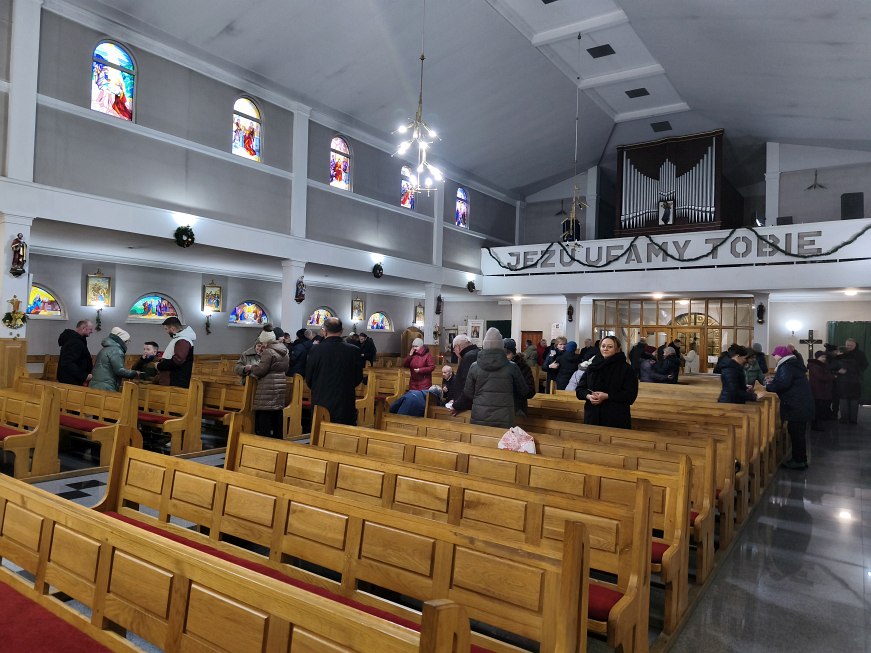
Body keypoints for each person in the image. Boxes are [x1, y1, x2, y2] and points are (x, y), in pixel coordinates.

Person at [463, 328, 528, 428]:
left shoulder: (474, 367)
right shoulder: (512, 367)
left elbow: (468, 393)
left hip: (480, 416)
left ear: (484, 345)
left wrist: (482, 399)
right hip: (504, 417)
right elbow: (524, 391)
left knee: (479, 438)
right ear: (501, 347)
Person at [305, 317, 363, 425]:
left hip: (321, 399)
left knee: (320, 431)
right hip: (344, 399)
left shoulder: (316, 350)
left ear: (324, 331)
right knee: (343, 430)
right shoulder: (354, 350)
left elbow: (309, 378)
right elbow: (358, 378)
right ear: (342, 331)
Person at [766, 345, 814, 470]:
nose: (774, 357)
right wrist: (774, 381)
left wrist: (768, 386)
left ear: (780, 355)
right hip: (800, 404)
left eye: (775, 354)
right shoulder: (793, 364)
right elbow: (787, 381)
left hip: (796, 405)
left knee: (796, 433)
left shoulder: (786, 366)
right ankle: (799, 459)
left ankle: (799, 461)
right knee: (797, 433)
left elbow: (783, 384)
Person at [575, 336, 638, 429]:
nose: (605, 349)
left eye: (610, 346)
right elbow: (580, 389)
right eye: (603, 346)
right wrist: (588, 396)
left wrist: (607, 396)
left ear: (617, 349)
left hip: (615, 417)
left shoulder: (626, 369)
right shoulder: (593, 366)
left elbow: (630, 395)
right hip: (592, 416)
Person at [246, 325, 290, 438]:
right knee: (277, 415)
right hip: (280, 385)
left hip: (267, 387)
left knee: (264, 417)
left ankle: (264, 443)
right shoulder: (284, 350)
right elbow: (286, 369)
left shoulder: (269, 351)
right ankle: (278, 441)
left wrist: (252, 367)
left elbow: (261, 370)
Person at [89, 327, 140, 391]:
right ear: (123, 341)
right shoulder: (116, 351)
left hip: (95, 384)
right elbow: (119, 371)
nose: (127, 344)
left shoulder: (105, 349)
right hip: (106, 387)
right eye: (127, 341)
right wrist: (134, 373)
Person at [833, 337, 869, 425]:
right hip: (843, 381)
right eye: (847, 345)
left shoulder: (860, 354)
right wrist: (838, 371)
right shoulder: (840, 353)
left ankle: (853, 420)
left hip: (855, 381)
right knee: (843, 400)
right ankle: (844, 419)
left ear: (855, 345)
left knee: (854, 400)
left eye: (851, 345)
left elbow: (865, 364)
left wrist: (856, 371)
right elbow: (834, 365)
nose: (849, 347)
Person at [156, 317, 196, 388]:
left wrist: (159, 365)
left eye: (166, 329)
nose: (166, 331)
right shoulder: (178, 339)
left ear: (173, 329)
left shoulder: (183, 340)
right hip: (171, 380)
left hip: (176, 381)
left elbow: (178, 360)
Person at [503, 338, 536, 414]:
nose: (505, 357)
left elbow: (530, 392)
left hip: (517, 408)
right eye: (502, 353)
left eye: (507, 353)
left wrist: (518, 386)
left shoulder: (522, 367)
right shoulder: (499, 366)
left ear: (513, 353)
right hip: (502, 409)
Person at [448, 334, 479, 415]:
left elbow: (468, 385)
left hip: (468, 408)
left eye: (454, 350)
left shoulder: (468, 357)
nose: (455, 352)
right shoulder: (477, 353)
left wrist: (457, 405)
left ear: (457, 347)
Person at [57, 320, 94, 385]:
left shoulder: (76, 339)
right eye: (90, 329)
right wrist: (84, 376)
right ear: (83, 328)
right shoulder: (75, 341)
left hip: (72, 380)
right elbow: (67, 363)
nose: (92, 331)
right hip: (71, 381)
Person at [807, 350, 835, 430]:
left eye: (825, 357)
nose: (824, 359)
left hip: (822, 391)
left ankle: (818, 425)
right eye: (822, 357)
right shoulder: (815, 366)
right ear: (817, 358)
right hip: (818, 391)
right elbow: (822, 377)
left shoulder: (822, 365)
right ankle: (816, 426)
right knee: (818, 409)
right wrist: (833, 376)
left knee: (821, 409)